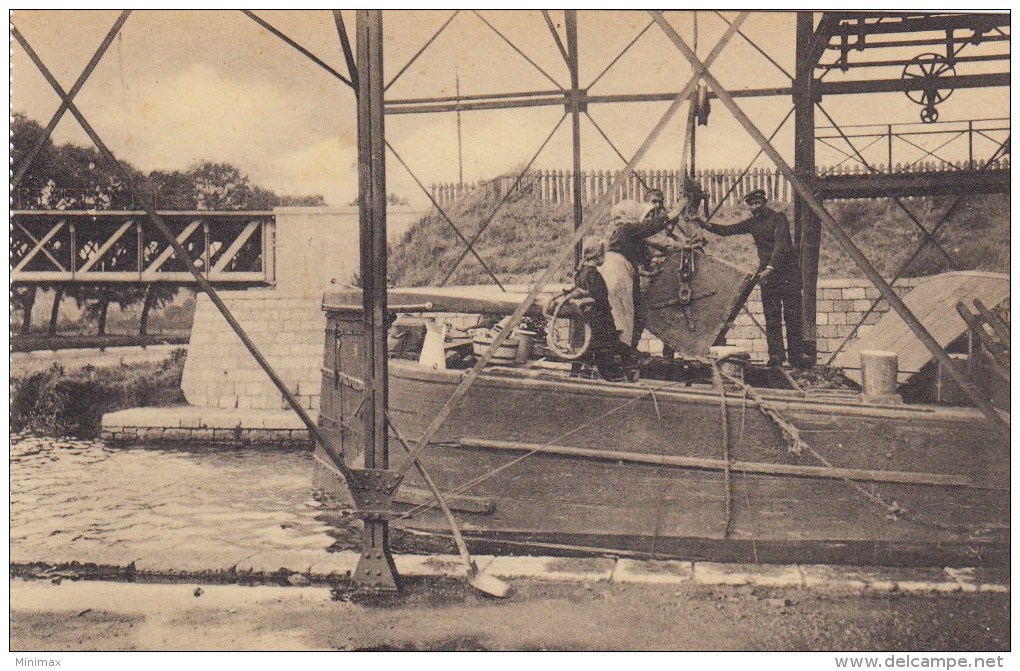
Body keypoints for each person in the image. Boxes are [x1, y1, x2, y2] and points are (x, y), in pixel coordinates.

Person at [690, 188, 806, 368]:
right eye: (751, 204)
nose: (755, 207)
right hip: (768, 276)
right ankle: (776, 356)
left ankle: (796, 356)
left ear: (764, 202)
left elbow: (781, 245)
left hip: (787, 274)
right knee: (772, 317)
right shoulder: (752, 224)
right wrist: (703, 223)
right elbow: (728, 230)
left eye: (757, 203)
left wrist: (769, 267)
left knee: (792, 316)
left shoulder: (779, 219)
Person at [602, 198, 681, 348]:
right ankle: (625, 350)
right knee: (625, 312)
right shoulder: (627, 228)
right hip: (619, 271)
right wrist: (674, 213)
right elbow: (650, 228)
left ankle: (625, 348)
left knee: (622, 313)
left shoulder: (617, 232)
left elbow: (638, 259)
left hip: (617, 270)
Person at [572, 237, 638, 381]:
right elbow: (599, 299)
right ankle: (618, 378)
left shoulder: (582, 273)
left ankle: (582, 373)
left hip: (591, 320)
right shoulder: (593, 275)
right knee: (607, 351)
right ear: (600, 256)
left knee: (589, 351)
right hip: (601, 321)